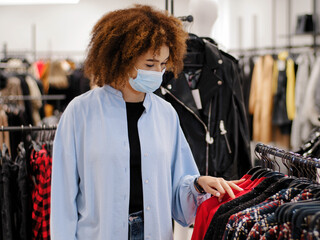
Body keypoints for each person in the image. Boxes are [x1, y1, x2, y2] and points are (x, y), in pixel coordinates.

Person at [50, 5, 244, 240]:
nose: (158, 72)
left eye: (163, 64)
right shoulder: (80, 113)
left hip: (155, 232)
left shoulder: (165, 114)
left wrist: (198, 184)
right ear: (122, 59)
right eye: (150, 64)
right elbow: (63, 197)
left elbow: (178, 190)